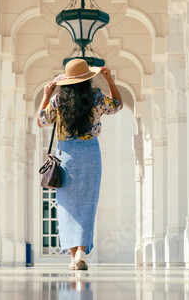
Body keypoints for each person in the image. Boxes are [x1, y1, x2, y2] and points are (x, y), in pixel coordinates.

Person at [37, 58, 123, 270]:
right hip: (91, 154)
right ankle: (81, 253)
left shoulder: (58, 100)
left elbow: (41, 120)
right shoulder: (95, 97)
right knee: (87, 205)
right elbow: (117, 105)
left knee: (68, 207)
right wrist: (109, 81)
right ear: (87, 79)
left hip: (66, 155)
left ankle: (74, 256)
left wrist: (46, 95)